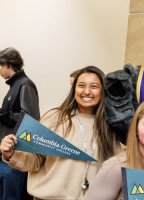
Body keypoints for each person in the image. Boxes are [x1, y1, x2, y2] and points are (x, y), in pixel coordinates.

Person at [1, 66, 121, 199]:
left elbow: (115, 168)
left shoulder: (109, 126)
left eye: (94, 86)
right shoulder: (54, 118)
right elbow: (35, 159)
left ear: (102, 91)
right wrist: (11, 154)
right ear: (74, 89)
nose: (87, 91)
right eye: (81, 85)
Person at [0, 47, 40, 200]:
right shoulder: (14, 86)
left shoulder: (25, 84)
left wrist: (5, 114)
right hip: (7, 157)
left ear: (6, 64)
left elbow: (31, 119)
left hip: (16, 158)